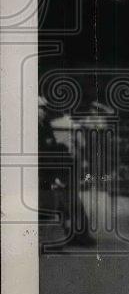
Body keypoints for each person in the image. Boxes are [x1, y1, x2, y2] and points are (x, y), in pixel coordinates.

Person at [38, 96, 94, 248]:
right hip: (62, 166)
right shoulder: (72, 125)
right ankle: (75, 234)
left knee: (64, 201)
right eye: (40, 108)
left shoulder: (50, 124)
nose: (43, 111)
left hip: (57, 166)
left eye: (44, 108)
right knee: (66, 201)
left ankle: (72, 234)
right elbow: (81, 146)